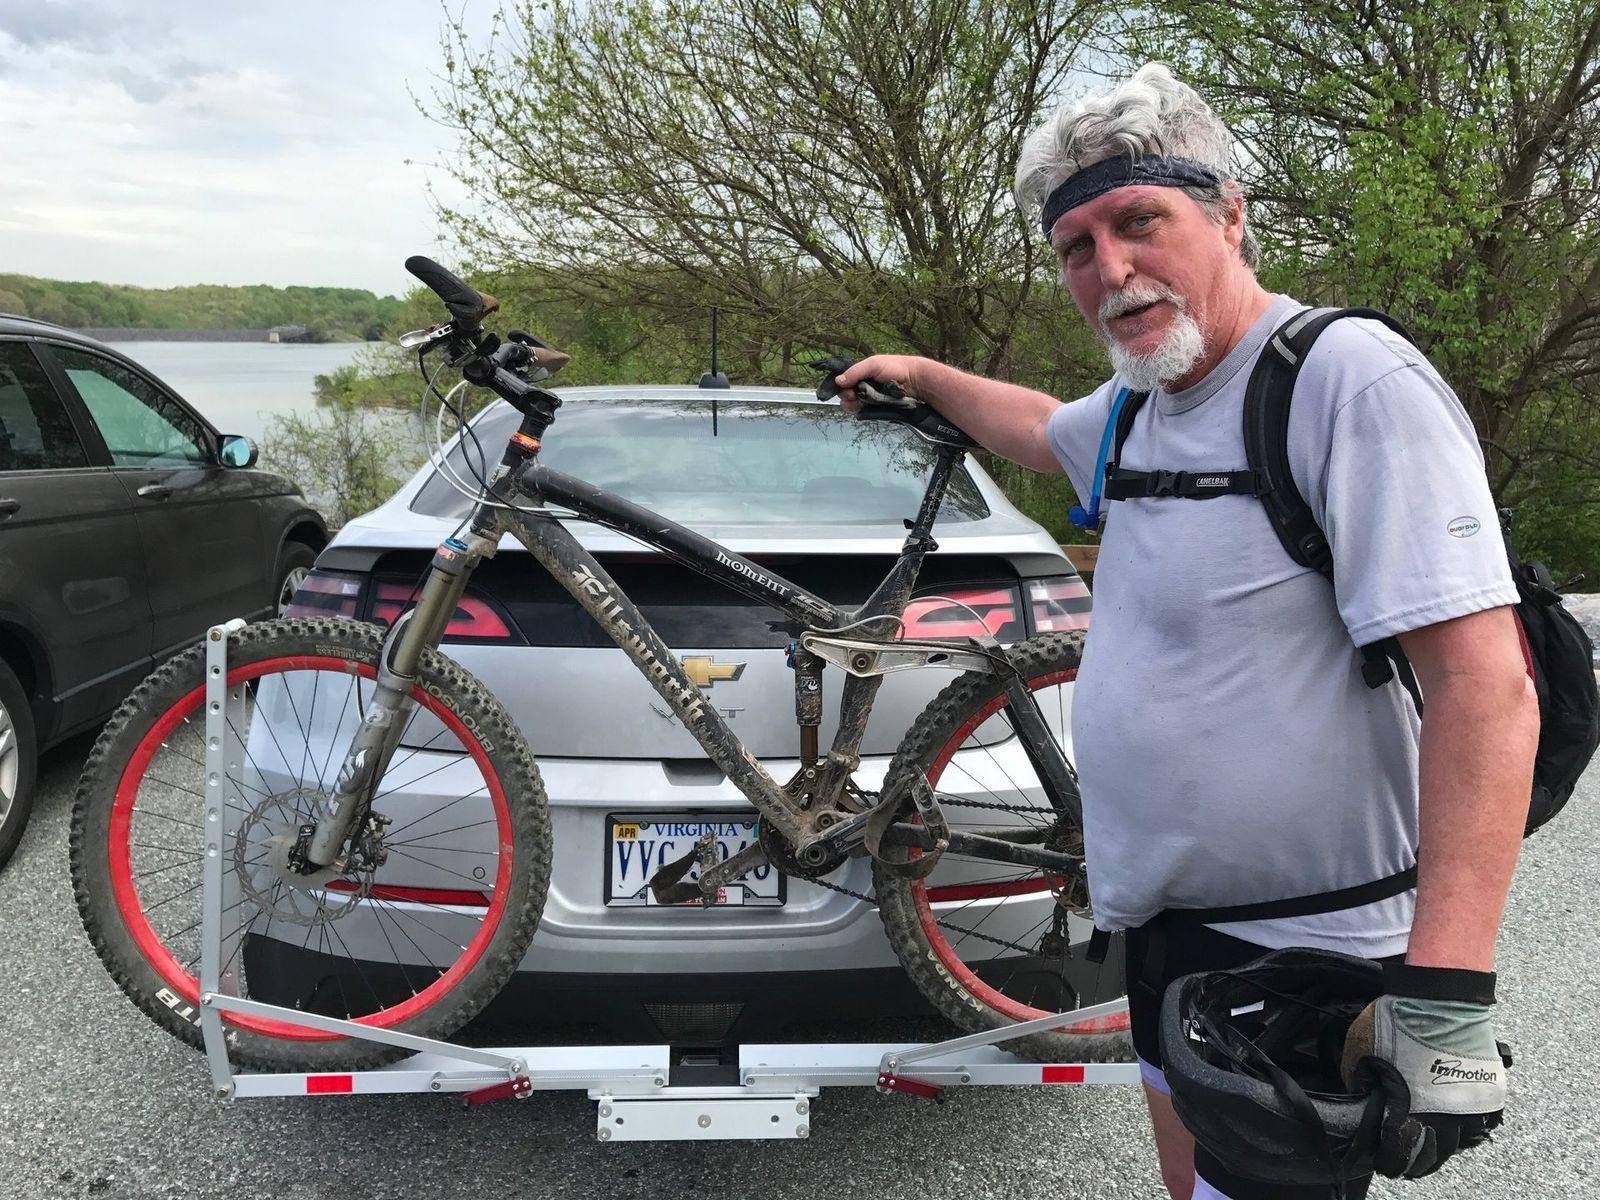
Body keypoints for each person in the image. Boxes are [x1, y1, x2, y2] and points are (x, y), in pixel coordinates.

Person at [832, 63, 1539, 1200]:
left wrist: (1446, 994)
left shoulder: (1342, 381)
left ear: (1229, 214)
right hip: (1169, 934)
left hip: (1306, 953)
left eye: (1139, 221)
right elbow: (1038, 430)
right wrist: (919, 374)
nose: (1109, 268)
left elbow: (1484, 688)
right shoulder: (1137, 407)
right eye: (1075, 246)